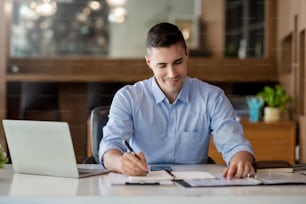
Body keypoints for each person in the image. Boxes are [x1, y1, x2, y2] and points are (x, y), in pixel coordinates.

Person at [99, 22, 255, 179]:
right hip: (144, 183)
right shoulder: (128, 97)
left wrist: (241, 162)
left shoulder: (212, 97)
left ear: (187, 53)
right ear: (149, 62)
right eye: (162, 65)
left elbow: (235, 145)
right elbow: (109, 146)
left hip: (193, 191)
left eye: (177, 62)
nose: (172, 73)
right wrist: (120, 163)